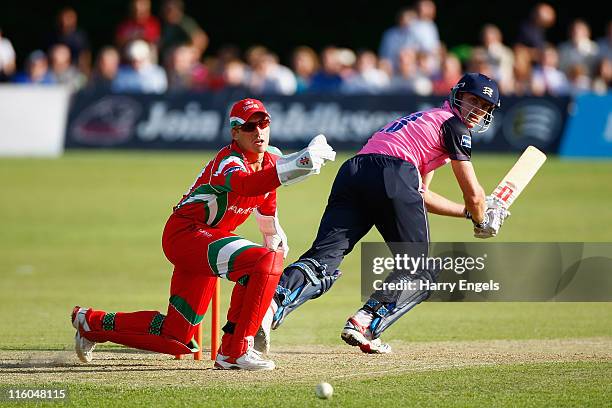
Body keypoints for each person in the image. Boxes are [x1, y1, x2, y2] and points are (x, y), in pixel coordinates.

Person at [70, 98, 336, 370]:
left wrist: (275, 240)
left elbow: (267, 208)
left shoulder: (270, 161)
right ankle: (235, 351)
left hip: (208, 241)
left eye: (263, 123)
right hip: (185, 234)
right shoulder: (228, 160)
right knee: (263, 262)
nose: (258, 131)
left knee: (176, 337)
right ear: (234, 132)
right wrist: (302, 162)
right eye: (249, 126)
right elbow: (247, 186)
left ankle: (90, 323)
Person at [256, 73, 509, 355]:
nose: (478, 110)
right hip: (394, 172)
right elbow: (473, 194)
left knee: (324, 257)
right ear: (457, 97)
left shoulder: (429, 120)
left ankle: (269, 307)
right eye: (473, 101)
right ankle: (364, 323)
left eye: (485, 107)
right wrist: (482, 215)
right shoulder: (455, 126)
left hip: (355, 171)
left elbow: (421, 194)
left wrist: (469, 214)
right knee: (418, 270)